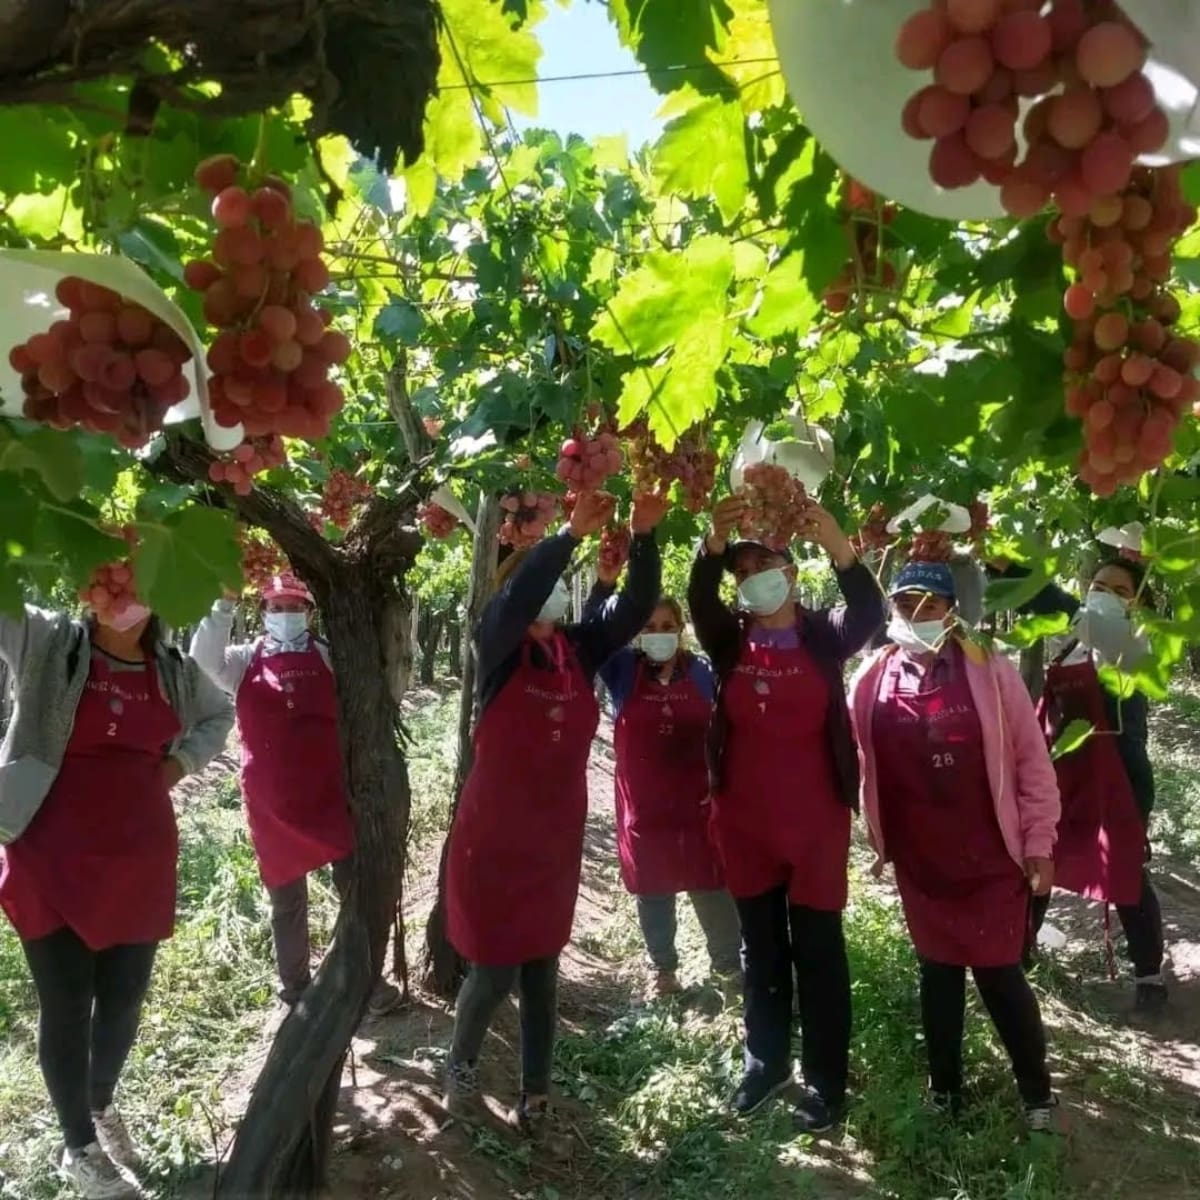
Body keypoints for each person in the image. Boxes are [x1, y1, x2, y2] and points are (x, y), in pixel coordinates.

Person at [442, 490, 665, 1142]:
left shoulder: (577, 648)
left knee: (542, 965)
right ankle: (460, 1063)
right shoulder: (497, 645)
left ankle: (535, 1091)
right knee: (494, 967)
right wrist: (566, 537)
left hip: (553, 839)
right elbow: (516, 600)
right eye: (541, 585)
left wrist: (644, 537)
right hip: (494, 837)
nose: (552, 595)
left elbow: (634, 610)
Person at [0, 595, 233, 1199]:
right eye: (107, 571)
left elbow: (220, 714)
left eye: (136, 575)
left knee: (124, 999)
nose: (121, 592)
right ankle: (77, 1146)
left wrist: (181, 763)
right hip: (49, 857)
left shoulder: (173, 670)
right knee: (68, 1003)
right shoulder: (50, 642)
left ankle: (99, 1104)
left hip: (138, 859)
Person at [688, 493, 884, 1133]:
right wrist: (713, 545)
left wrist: (839, 546)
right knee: (762, 950)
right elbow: (699, 598)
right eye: (742, 572)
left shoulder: (823, 634)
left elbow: (869, 613)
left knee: (820, 952)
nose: (752, 579)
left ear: (792, 572)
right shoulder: (729, 639)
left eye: (764, 566)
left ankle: (825, 1082)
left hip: (815, 826)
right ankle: (765, 1063)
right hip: (746, 823)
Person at [849, 561, 1062, 1131]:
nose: (917, 614)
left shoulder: (989, 669)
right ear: (892, 610)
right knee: (937, 974)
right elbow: (852, 754)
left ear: (951, 611)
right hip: (922, 860)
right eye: (905, 604)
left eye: (931, 604)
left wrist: (1040, 841)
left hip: (990, 855)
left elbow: (1031, 761)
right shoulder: (872, 677)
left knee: (999, 975)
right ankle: (944, 1093)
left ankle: (1038, 1097)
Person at [190, 574, 400, 1016]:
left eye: (294, 607)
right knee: (287, 902)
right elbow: (202, 658)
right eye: (276, 607)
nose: (285, 615)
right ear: (263, 612)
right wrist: (223, 604)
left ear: (309, 612)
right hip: (273, 803)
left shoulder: (329, 655)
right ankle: (297, 991)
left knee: (353, 888)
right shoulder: (243, 660)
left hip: (327, 793)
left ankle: (364, 979)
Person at [992, 554, 1166, 1012]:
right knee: (1041, 858)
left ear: (1140, 606)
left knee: (1125, 870)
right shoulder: (1072, 643)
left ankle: (1150, 978)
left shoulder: (1135, 642)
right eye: (1099, 587)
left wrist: (1013, 570)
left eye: (1120, 592)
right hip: (1064, 772)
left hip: (1118, 777)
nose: (1104, 597)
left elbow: (1061, 606)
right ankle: (1021, 955)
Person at [583, 573, 741, 997]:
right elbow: (594, 631)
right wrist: (603, 586)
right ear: (637, 633)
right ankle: (663, 972)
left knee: (710, 883)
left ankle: (729, 970)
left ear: (681, 629)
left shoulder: (704, 673)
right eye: (649, 627)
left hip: (698, 802)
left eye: (667, 626)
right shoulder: (622, 671)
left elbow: (728, 728)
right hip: (646, 804)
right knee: (653, 887)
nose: (659, 634)